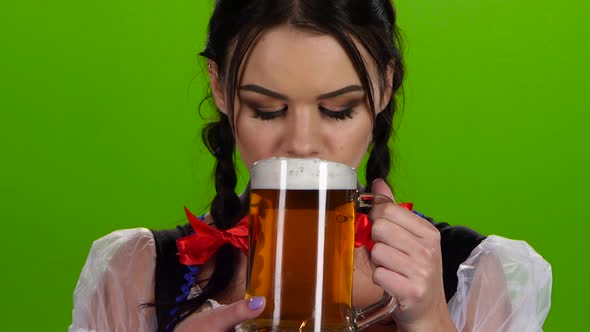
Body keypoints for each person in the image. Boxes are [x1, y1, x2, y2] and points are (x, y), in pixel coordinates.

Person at [69, 1, 552, 331]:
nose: (301, 144)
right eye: (266, 109)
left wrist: (430, 321)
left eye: (338, 109)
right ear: (219, 88)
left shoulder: (480, 274)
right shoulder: (134, 273)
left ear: (384, 87)